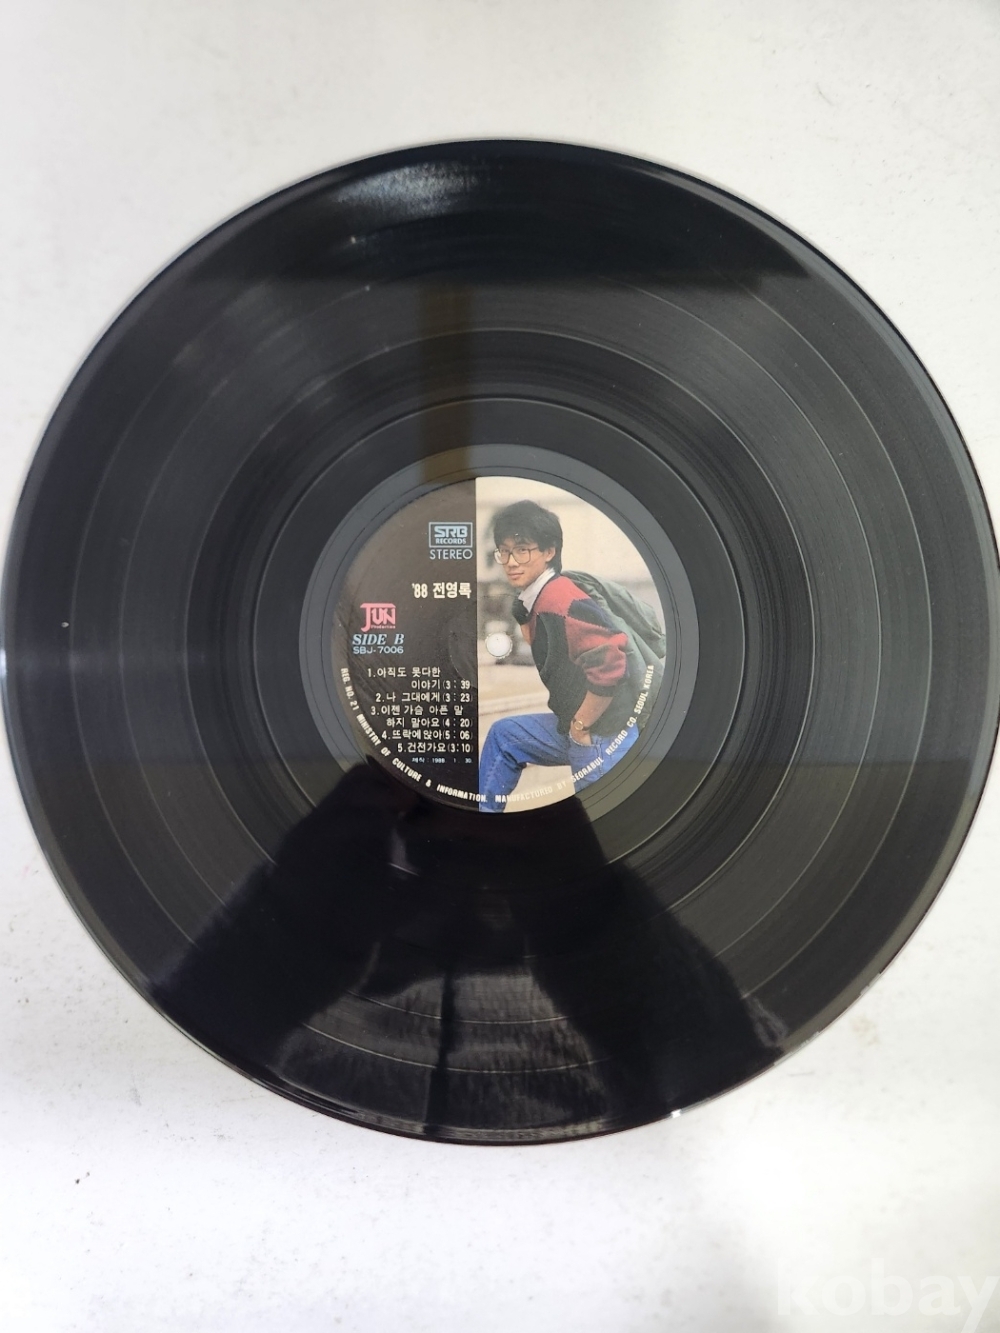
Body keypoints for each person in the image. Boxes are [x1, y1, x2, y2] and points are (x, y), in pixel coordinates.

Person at [479, 500, 649, 813]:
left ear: (549, 551)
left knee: (600, 830)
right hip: (577, 729)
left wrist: (580, 727)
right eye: (504, 551)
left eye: (522, 550)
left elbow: (611, 665)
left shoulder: (561, 600)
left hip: (601, 737)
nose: (510, 562)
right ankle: (479, 826)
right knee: (504, 736)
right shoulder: (536, 598)